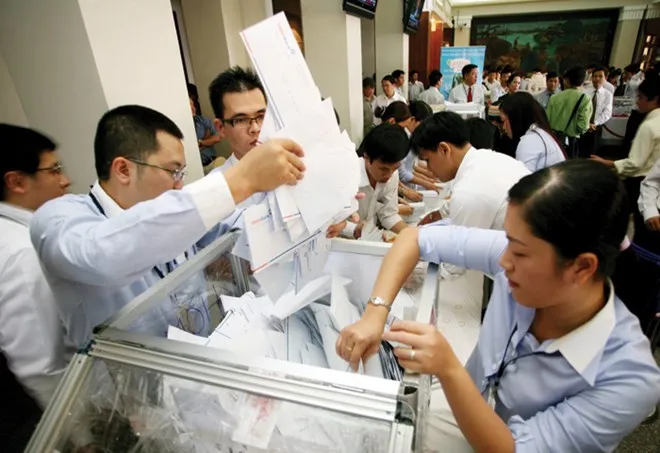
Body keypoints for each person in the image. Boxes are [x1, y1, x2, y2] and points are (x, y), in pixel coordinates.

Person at [337, 159, 660, 452]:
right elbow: (415, 239)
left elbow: (512, 448)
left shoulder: (628, 379)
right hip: (468, 409)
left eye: (519, 252)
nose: (503, 262)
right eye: (507, 241)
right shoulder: (519, 262)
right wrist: (375, 313)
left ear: (582, 267)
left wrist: (448, 368)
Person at [30, 105, 307, 348]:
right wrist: (241, 180)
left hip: (193, 360)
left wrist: (305, 220)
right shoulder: (57, 220)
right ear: (123, 170)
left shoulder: (172, 210)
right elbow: (106, 254)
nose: (180, 184)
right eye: (173, 171)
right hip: (126, 383)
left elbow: (237, 228)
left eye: (182, 173)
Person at [208, 67, 353, 238]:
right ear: (220, 128)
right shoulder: (214, 191)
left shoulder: (299, 163)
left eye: (261, 116)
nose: (255, 128)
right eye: (240, 120)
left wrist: (337, 219)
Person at [0, 125, 74, 410]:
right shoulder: (22, 252)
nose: (65, 180)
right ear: (17, 181)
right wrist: (79, 430)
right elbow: (43, 368)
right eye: (54, 170)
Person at [409, 111, 529, 232]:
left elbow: (460, 242)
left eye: (427, 160)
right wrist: (436, 215)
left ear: (444, 149)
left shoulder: (468, 190)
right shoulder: (487, 158)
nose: (428, 168)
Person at [592, 73, 660, 255]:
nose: (637, 102)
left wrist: (608, 164)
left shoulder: (649, 126)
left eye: (641, 97)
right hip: (651, 182)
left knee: (640, 233)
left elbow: (635, 164)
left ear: (654, 99)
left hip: (641, 182)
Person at [341, 124, 410, 239]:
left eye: (395, 168)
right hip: (341, 241)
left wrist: (414, 234)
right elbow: (329, 220)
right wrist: (353, 229)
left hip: (369, 238)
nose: (389, 175)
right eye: (383, 169)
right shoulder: (347, 175)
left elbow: (388, 215)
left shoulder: (393, 175)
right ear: (367, 158)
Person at [499, 92, 566, 171]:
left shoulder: (529, 141)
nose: (503, 127)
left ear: (515, 118)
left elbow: (523, 177)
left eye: (504, 121)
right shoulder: (539, 133)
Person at [387, 101, 439, 194]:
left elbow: (412, 166)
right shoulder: (402, 139)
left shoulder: (410, 136)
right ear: (412, 119)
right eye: (422, 125)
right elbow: (401, 172)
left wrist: (427, 179)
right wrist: (426, 182)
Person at [546, 65, 593, 158]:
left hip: (554, 140)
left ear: (566, 80)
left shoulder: (554, 97)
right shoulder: (585, 99)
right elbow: (583, 126)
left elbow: (547, 120)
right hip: (571, 142)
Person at [578, 65, 613, 157]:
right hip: (583, 126)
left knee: (593, 154)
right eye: (595, 76)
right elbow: (579, 109)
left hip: (597, 127)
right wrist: (586, 123)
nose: (597, 78)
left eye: (600, 76)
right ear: (591, 78)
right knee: (580, 152)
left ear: (605, 78)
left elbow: (607, 112)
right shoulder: (584, 92)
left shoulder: (608, 94)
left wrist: (595, 123)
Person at [190, 96, 221, 167]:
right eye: (189, 105)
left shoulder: (203, 120)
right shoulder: (181, 126)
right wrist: (207, 141)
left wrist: (200, 143)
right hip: (197, 167)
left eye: (193, 105)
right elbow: (190, 151)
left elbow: (217, 138)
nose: (193, 108)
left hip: (212, 162)